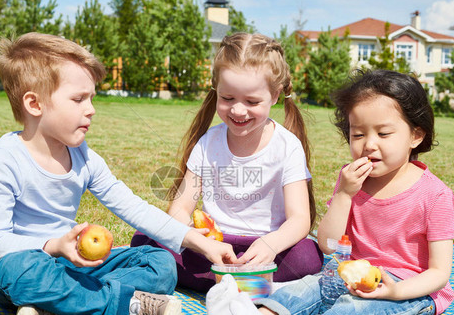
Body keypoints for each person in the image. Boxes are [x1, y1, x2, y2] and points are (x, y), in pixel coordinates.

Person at [0, 32, 237, 315]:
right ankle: (133, 306)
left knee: (161, 263)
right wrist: (52, 247)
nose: (91, 109)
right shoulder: (3, 160)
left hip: (75, 267)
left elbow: (132, 206)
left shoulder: (83, 157)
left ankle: (58, 309)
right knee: (22, 273)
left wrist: (200, 242)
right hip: (23, 263)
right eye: (78, 99)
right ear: (34, 104)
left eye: (91, 98)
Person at [205, 69, 454, 315]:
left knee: (356, 309)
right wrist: (345, 195)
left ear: (416, 135)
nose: (369, 144)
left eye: (384, 133)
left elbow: (439, 273)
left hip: (412, 288)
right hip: (352, 272)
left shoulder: (435, 195)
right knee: (308, 287)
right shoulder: (351, 181)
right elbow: (327, 244)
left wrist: (395, 292)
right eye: (358, 134)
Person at [131, 32, 323, 292]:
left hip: (265, 248)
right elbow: (179, 208)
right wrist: (195, 237)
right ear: (216, 90)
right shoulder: (208, 142)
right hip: (213, 247)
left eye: (252, 101)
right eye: (228, 98)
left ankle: (223, 282)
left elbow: (300, 219)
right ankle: (248, 283)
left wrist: (271, 244)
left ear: (276, 95)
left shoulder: (287, 146)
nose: (238, 110)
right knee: (145, 239)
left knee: (307, 255)